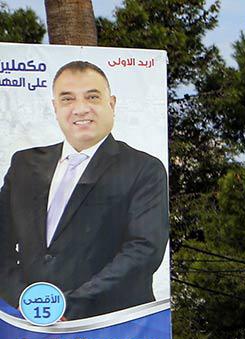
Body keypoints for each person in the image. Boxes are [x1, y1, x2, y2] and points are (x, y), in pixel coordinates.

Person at [0, 61, 168, 320]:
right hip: (26, 327)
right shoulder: (24, 164)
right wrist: (25, 300)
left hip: (113, 329)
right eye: (67, 99)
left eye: (92, 97)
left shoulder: (144, 168)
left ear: (111, 104)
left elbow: (143, 250)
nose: (80, 108)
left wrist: (67, 306)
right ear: (55, 108)